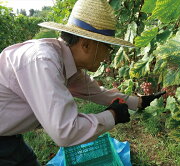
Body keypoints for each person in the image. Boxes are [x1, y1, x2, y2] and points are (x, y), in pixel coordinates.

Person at [0, 0, 165, 165]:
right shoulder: (43, 61)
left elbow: (96, 92)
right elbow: (65, 132)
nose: (107, 56)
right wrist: (113, 115)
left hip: (9, 135)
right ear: (86, 45)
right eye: (108, 48)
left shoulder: (64, 62)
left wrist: (138, 102)